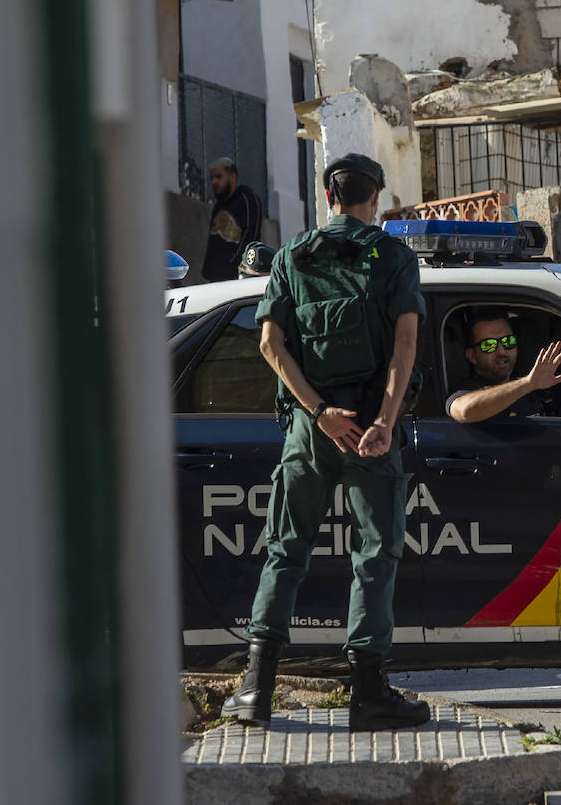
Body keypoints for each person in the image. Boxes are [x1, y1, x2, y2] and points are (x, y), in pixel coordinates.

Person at [221, 153, 430, 732]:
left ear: (329, 198)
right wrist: (383, 422)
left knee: (286, 551)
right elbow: (405, 347)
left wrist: (318, 413)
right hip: (370, 427)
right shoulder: (393, 256)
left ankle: (256, 692)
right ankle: (368, 693)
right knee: (374, 554)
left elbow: (269, 346)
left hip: (310, 429)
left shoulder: (292, 256)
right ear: (376, 198)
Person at [446, 310, 561, 423]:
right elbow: (466, 412)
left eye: (508, 341)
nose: (502, 351)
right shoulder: (465, 391)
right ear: (472, 356)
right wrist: (527, 383)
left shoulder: (535, 389)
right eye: (488, 345)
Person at [202, 157, 263, 282]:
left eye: (219, 177)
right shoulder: (218, 206)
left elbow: (252, 236)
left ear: (233, 177)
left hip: (236, 278)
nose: (214, 182)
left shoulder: (247, 199)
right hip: (215, 279)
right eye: (212, 178)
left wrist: (236, 266)